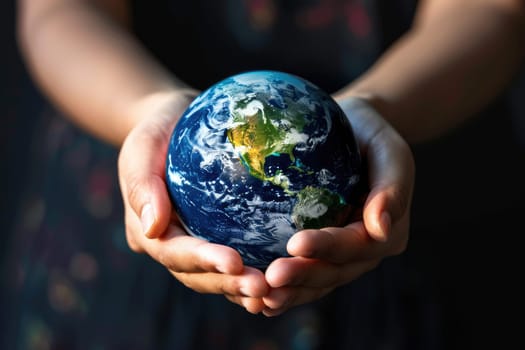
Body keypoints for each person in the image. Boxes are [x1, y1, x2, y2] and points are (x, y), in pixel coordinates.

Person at [6, 0, 525, 348]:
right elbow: (57, 11)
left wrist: (379, 107)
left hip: (416, 216)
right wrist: (147, 110)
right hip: (120, 250)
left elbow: (494, 10)